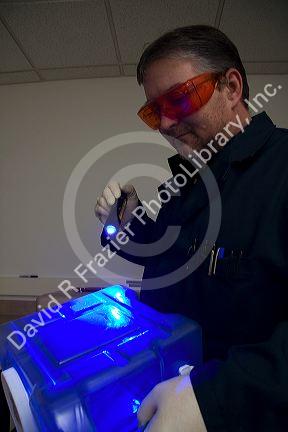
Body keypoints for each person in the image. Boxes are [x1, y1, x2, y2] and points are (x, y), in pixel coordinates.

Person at [95, 25, 288, 431]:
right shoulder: (182, 187)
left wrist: (214, 398)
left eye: (179, 99)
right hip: (156, 397)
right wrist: (126, 224)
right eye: (153, 111)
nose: (165, 122)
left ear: (231, 87)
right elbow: (164, 251)